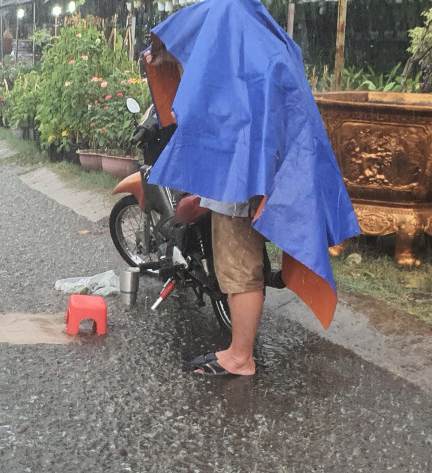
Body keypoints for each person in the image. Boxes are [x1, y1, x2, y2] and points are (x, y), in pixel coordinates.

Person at [143, 0, 360, 376]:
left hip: (238, 179)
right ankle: (239, 349)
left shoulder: (228, 35)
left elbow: (216, 124)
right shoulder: (265, 42)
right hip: (258, 171)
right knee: (244, 264)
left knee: (239, 268)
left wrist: (207, 197)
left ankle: (240, 357)